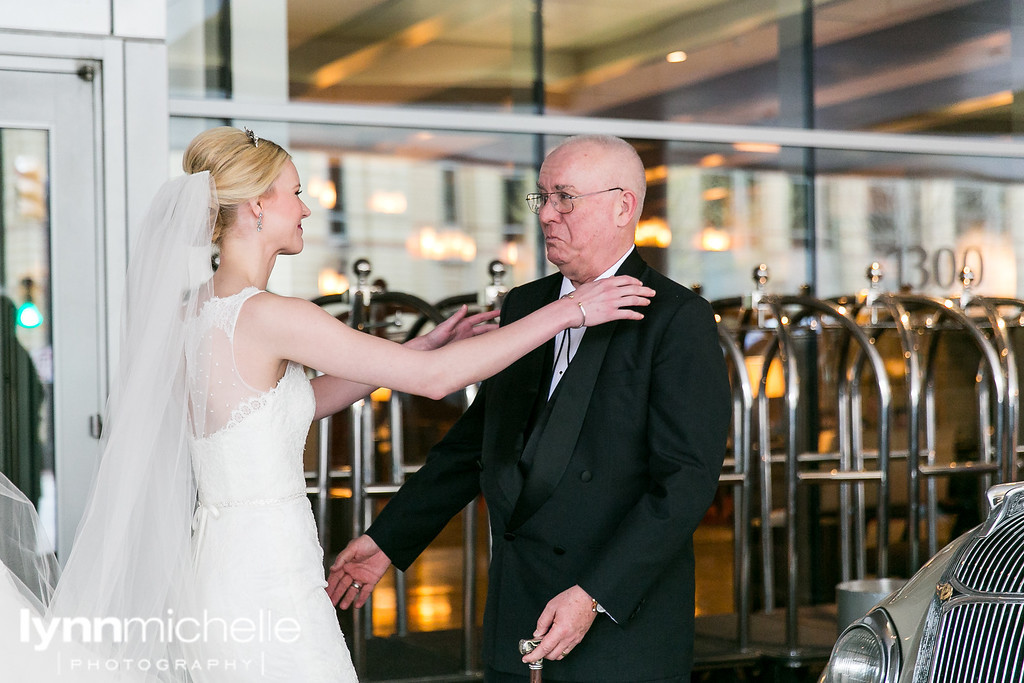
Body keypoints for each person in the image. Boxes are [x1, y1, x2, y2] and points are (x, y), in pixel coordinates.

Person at [0, 127, 653, 682]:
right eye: (295, 193)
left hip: (224, 561)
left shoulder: (200, 312)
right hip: (264, 570)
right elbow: (436, 380)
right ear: (257, 206)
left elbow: (298, 402)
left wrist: (421, 339)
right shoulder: (269, 314)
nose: (307, 209)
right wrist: (572, 309)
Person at [329, 135, 731, 682]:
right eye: (541, 197)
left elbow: (684, 483)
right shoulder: (527, 305)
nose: (546, 215)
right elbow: (477, 443)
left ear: (623, 206)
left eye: (565, 197)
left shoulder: (677, 318)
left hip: (619, 621)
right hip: (519, 604)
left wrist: (593, 596)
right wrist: (388, 539)